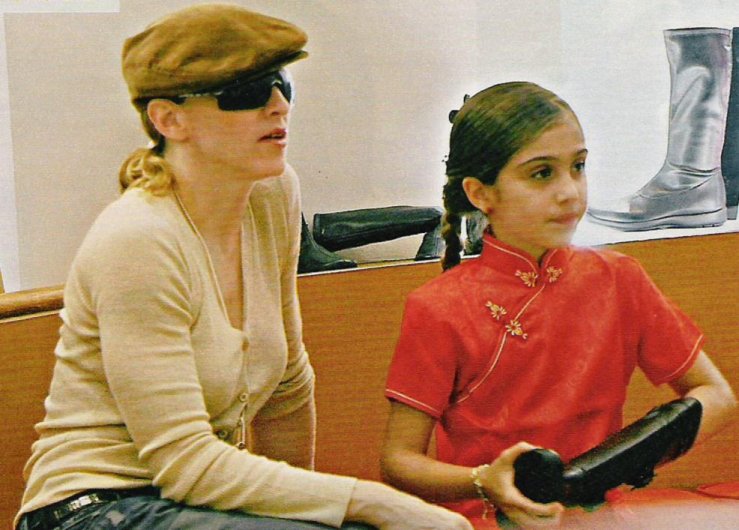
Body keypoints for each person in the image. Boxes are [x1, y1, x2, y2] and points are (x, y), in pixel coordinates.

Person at [14, 4, 473, 530]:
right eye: (247, 92)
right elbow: (187, 464)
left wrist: (318, 517)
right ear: (169, 119)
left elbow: (287, 388)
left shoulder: (270, 193)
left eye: (282, 85)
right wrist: (378, 502)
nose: (279, 106)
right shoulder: (139, 238)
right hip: (90, 508)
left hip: (188, 502)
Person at [380, 82, 737, 528]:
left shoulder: (619, 279)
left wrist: (614, 465)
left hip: (602, 520)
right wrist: (485, 481)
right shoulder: (438, 307)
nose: (570, 191)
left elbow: (717, 396)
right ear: (481, 193)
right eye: (542, 173)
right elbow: (399, 461)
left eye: (578, 167)